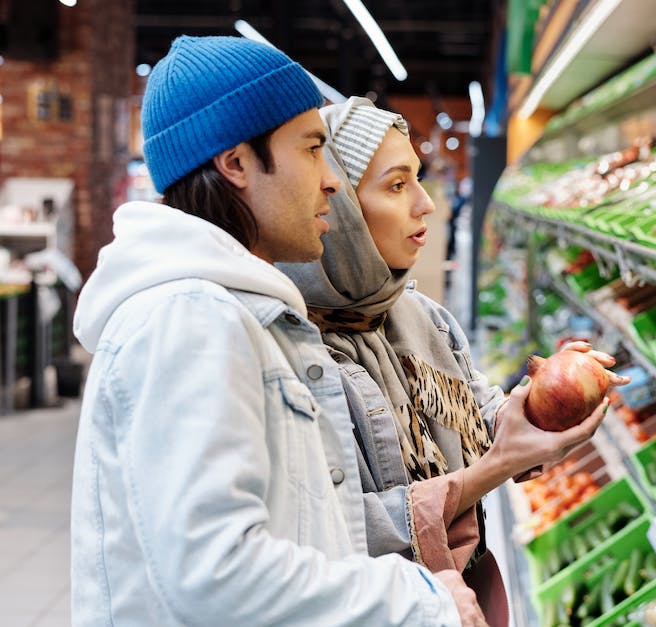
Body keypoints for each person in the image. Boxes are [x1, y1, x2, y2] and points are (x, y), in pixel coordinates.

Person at [70, 36, 488, 627]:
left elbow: (298, 529)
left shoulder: (244, 313)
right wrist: (415, 598)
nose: (331, 181)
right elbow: (216, 574)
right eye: (313, 149)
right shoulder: (190, 319)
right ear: (236, 162)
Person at [278, 97, 628, 623]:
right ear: (340, 206)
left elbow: (480, 420)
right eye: (397, 186)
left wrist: (543, 401)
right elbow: (336, 530)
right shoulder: (291, 354)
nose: (426, 204)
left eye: (419, 180)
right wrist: (493, 470)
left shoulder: (423, 317)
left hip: (466, 595)